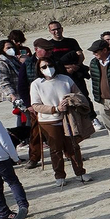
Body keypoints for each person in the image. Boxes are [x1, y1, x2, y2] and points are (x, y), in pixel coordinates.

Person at [30, 56, 88, 187]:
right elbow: (36, 106)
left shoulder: (65, 79)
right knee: (56, 149)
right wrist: (55, 109)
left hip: (68, 118)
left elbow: (79, 94)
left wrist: (71, 100)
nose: (48, 69)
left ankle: (80, 172)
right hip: (49, 121)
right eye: (44, 67)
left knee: (73, 146)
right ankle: (60, 175)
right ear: (39, 69)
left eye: (50, 65)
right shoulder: (36, 84)